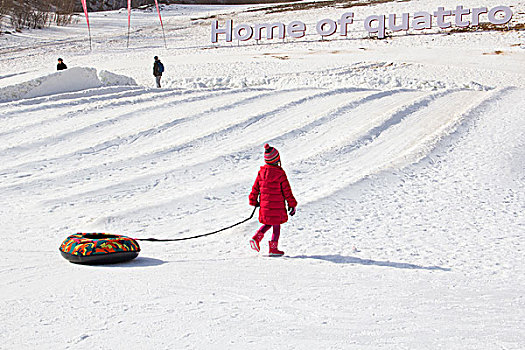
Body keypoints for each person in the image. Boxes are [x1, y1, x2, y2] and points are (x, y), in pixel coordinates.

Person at [249, 144, 297, 256]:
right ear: (277, 159)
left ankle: (256, 238)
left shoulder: (261, 173)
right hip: (277, 206)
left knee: (268, 223)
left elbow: (255, 188)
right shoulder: (280, 173)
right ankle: (273, 249)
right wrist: (292, 204)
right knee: (276, 226)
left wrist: (253, 200)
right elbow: (287, 191)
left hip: (265, 206)